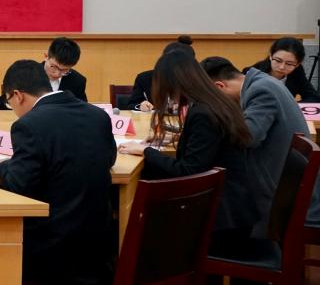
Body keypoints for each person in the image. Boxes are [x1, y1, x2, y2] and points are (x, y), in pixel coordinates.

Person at [0, 60, 116, 285]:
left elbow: (18, 185)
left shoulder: (29, 125)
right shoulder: (97, 115)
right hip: (100, 242)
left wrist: (2, 165)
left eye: (9, 102)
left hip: (53, 247)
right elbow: (110, 159)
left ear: (18, 95)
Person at [119, 52, 255, 252]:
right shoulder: (214, 103)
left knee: (141, 199)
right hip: (233, 204)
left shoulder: (203, 113)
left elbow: (188, 171)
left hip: (221, 217)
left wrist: (147, 151)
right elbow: (208, 150)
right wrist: (174, 140)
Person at [201, 56, 308, 237]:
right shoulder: (262, 81)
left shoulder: (261, 90)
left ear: (219, 87)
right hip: (282, 180)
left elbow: (248, 138)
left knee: (217, 203)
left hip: (277, 193)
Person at [0, 37, 87, 109]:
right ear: (46, 56)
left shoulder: (77, 81)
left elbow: (81, 108)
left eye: (64, 70)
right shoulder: (27, 74)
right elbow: (2, 104)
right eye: (53, 66)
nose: (57, 74)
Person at [124, 34, 196, 111]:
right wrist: (140, 106)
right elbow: (131, 105)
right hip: (151, 118)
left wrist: (185, 106)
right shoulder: (145, 78)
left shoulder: (194, 80)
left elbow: (200, 105)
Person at [244, 36, 320, 102]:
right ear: (270, 55)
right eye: (278, 60)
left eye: (289, 64)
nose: (282, 67)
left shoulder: (297, 72)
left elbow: (313, 97)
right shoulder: (252, 73)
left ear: (297, 64)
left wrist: (292, 107)